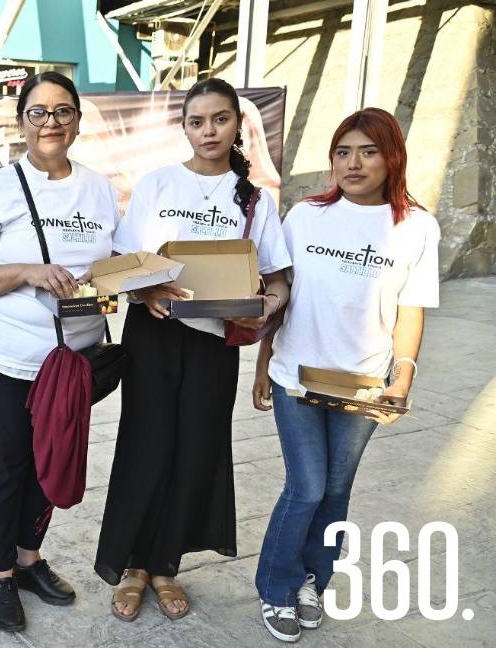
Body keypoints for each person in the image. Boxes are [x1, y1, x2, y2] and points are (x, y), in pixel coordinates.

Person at [94, 77, 292, 622]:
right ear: (183, 127)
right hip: (153, 335)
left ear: (237, 126)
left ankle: (165, 566)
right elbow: (122, 263)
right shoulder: (158, 183)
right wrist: (147, 288)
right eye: (197, 121)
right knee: (145, 444)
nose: (209, 131)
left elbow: (279, 282)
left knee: (196, 449)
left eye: (220, 119)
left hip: (213, 344)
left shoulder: (256, 200)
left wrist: (256, 309)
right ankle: (133, 565)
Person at [251, 108, 439, 643]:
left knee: (336, 490)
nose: (352, 163)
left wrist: (402, 378)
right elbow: (283, 293)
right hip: (297, 375)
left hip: (363, 385)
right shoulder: (306, 216)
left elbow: (412, 308)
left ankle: (313, 579)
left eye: (367, 151)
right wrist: (264, 364)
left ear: (391, 157)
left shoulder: (417, 227)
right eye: (342, 151)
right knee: (306, 486)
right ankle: (277, 586)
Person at [0, 71, 121, 633]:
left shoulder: (98, 188)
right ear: (21, 121)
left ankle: (28, 560)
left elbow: (112, 261)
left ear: (77, 120)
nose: (51, 122)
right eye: (39, 112)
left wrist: (110, 278)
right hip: (3, 360)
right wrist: (27, 271)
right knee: (3, 468)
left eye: (63, 111)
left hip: (72, 362)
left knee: (51, 467)